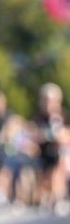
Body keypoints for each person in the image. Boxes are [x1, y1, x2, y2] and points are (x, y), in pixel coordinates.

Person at [32, 82, 69, 213]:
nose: (49, 104)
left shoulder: (63, 116)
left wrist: (59, 134)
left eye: (52, 100)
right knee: (43, 172)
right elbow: (34, 136)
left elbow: (66, 138)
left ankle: (58, 198)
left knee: (58, 167)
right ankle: (47, 198)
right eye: (47, 100)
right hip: (43, 153)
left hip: (61, 152)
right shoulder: (38, 118)